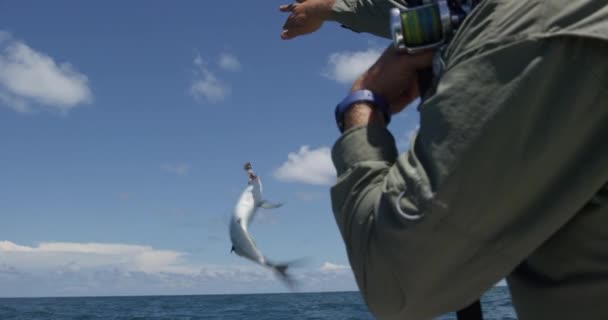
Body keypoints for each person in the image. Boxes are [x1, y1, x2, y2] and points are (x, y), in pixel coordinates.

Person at [279, 0, 608, 319]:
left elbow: (394, 284)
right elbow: (407, 9)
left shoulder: (532, 31)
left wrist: (362, 103)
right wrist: (325, 9)